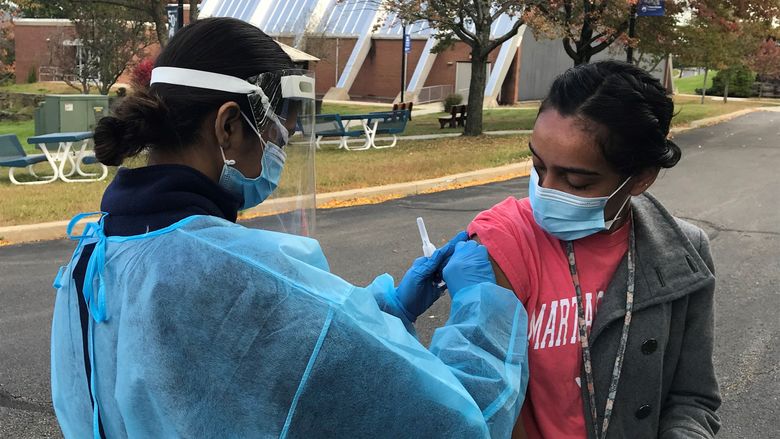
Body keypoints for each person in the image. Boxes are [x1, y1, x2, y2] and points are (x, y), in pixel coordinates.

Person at [50, 18, 528, 439]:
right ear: (229, 127)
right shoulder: (230, 273)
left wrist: (386, 310)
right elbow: (459, 424)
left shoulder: (92, 257)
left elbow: (262, 364)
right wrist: (480, 311)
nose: (279, 153)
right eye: (277, 135)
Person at [468, 61, 720, 439]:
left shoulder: (683, 253)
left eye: (576, 181)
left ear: (640, 179)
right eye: (538, 166)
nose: (546, 190)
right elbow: (489, 399)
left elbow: (693, 399)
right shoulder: (503, 240)